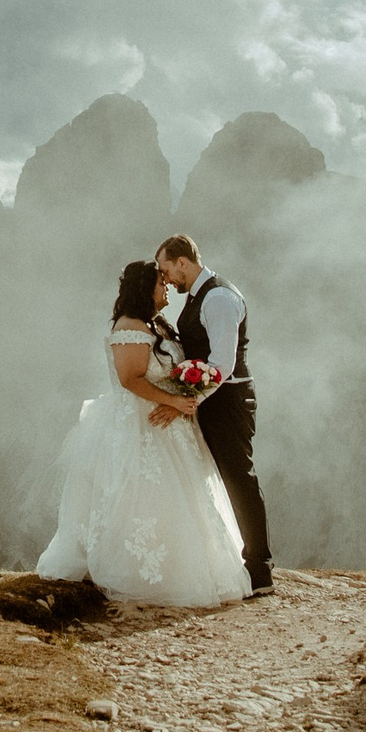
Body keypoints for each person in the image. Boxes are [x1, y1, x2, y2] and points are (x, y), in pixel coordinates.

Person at [35, 260, 253, 606]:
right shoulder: (130, 327)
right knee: (140, 495)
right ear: (144, 288)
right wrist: (173, 401)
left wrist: (182, 396)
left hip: (167, 422)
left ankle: (179, 564)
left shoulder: (156, 324)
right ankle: (137, 570)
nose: (166, 287)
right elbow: (130, 379)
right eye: (160, 283)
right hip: (140, 425)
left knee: (177, 498)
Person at [152, 233, 273, 595]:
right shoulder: (199, 295)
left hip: (230, 399)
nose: (166, 278)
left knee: (239, 477)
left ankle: (259, 570)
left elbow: (221, 363)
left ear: (182, 262)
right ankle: (237, 561)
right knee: (222, 479)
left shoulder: (218, 297)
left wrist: (187, 401)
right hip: (215, 399)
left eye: (166, 269)